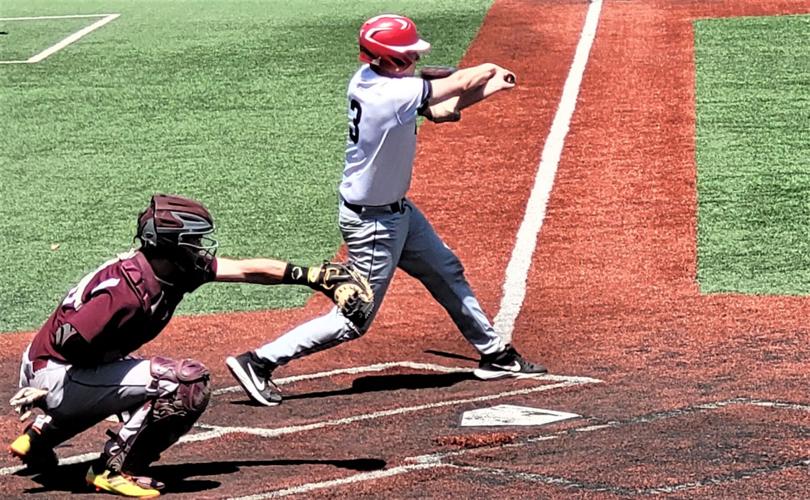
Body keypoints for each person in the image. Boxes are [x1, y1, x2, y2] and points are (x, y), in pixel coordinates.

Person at [226, 14, 546, 408]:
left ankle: (496, 355)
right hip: (374, 223)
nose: (414, 57)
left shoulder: (370, 81)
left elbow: (444, 109)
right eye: (409, 53)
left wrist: (490, 89)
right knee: (353, 317)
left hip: (396, 213)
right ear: (392, 59)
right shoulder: (391, 95)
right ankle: (258, 362)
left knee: (445, 269)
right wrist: (490, 70)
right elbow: (456, 85)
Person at [7, 194, 369, 498]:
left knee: (130, 378)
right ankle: (114, 469)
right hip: (53, 374)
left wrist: (312, 277)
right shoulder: (126, 293)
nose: (199, 248)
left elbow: (246, 270)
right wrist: (47, 393)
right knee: (184, 381)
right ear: (170, 245)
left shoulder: (171, 269)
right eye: (192, 241)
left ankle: (38, 440)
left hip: (61, 370)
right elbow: (66, 338)